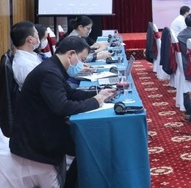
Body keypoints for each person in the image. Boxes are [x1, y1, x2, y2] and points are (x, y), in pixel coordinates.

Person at [9, 36, 116, 188]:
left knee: (86, 147)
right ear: (71, 54)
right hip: (35, 141)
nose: (82, 63)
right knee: (88, 146)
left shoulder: (53, 67)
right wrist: (95, 102)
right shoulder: (49, 72)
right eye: (81, 59)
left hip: (44, 130)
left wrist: (99, 94)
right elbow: (62, 107)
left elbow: (70, 94)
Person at [10, 21, 42, 90]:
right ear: (30, 40)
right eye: (37, 34)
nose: (38, 37)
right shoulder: (25, 65)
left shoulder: (29, 55)